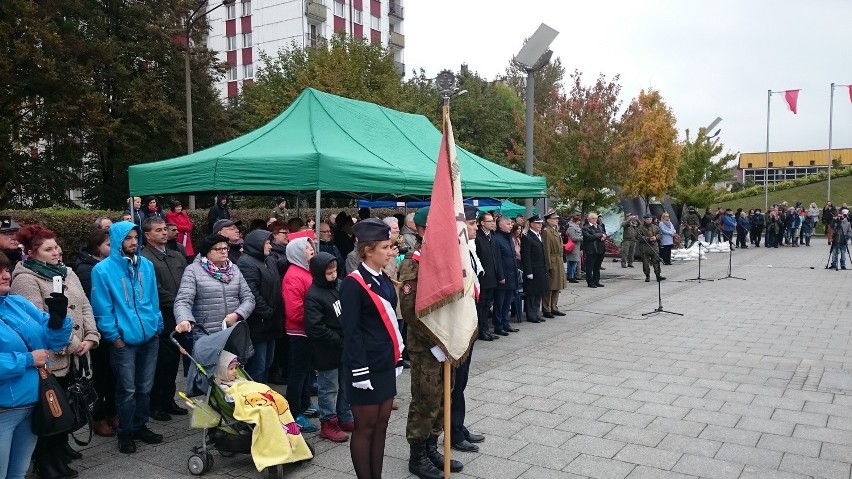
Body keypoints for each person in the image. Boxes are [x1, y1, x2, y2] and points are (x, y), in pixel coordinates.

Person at [11, 226, 100, 478]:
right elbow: (37, 323)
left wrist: (91, 337)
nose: (56, 252)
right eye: (48, 249)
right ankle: (45, 461)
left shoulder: (67, 271)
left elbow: (84, 305)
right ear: (31, 253)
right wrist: (73, 344)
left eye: (56, 246)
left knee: (67, 405)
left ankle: (60, 450)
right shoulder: (26, 279)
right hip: (50, 357)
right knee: (51, 411)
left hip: (76, 355)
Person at [341, 218, 411, 479]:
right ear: (368, 250)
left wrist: (395, 359)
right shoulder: (353, 283)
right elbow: (351, 331)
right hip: (364, 365)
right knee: (365, 427)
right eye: (384, 247)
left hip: (384, 361)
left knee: (381, 425)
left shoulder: (383, 279)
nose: (389, 251)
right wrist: (359, 371)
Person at [89, 221, 164, 454]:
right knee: (127, 390)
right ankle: (126, 432)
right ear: (117, 241)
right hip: (124, 341)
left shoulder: (147, 266)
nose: (133, 242)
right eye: (127, 238)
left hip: (150, 337)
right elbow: (102, 308)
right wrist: (115, 337)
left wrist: (157, 325)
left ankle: (140, 425)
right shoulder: (102, 270)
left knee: (145, 387)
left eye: (135, 237)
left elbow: (153, 298)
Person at [0, 251, 73, 479]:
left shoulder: (17, 303)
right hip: (3, 411)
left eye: (5, 269)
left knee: (18, 473)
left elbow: (53, 340)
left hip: (33, 404)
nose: (6, 275)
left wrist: (58, 319)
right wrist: (28, 359)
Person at [139, 218, 189, 422]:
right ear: (148, 235)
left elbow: (187, 281)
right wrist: (180, 301)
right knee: (161, 361)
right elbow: (155, 290)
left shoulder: (176, 256)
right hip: (162, 314)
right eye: (158, 230)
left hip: (179, 313)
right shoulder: (145, 259)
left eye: (164, 229)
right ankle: (155, 403)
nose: (164, 233)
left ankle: (169, 399)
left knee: (173, 360)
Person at [305, 252, 353, 442]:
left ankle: (345, 416)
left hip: (344, 346)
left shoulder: (339, 285)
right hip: (327, 349)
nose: (333, 276)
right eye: (329, 273)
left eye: (335, 271)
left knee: (345, 384)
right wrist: (339, 340)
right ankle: (328, 423)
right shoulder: (314, 295)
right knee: (329, 387)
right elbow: (315, 328)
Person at [73, 228, 117, 437]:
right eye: (108, 244)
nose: (112, 247)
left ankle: (112, 412)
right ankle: (98, 416)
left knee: (113, 376)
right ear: (96, 248)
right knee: (100, 377)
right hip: (98, 331)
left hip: (113, 328)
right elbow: (92, 304)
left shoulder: (112, 264)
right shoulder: (86, 270)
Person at [173, 234, 255, 340]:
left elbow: (249, 298)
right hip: (206, 334)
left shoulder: (234, 269)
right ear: (207, 252)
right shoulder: (193, 270)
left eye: (225, 248)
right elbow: (183, 301)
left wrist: (238, 315)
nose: (224, 251)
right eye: (218, 249)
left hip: (233, 331)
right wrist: (184, 319)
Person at [282, 236, 320, 433]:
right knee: (298, 374)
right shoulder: (294, 275)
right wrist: (318, 316)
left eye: (311, 246)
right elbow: (294, 311)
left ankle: (305, 405)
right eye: (306, 248)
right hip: (299, 332)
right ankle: (293, 413)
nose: (310, 249)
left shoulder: (306, 270)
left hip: (309, 330)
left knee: (306, 372)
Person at [236, 230, 284, 383]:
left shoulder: (268, 259)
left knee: (268, 362)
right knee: (258, 365)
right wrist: (267, 311)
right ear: (257, 244)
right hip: (259, 323)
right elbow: (252, 293)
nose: (270, 246)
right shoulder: (246, 262)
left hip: (271, 321)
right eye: (267, 243)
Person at [473, 212, 503, 339]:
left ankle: (486, 330)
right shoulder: (477, 238)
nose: (492, 223)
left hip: (492, 277)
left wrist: (500, 275)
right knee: (481, 305)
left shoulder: (492, 237)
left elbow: (497, 259)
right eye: (489, 221)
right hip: (482, 278)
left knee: (487, 305)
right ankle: (481, 331)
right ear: (481, 223)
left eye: (493, 221)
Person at [493, 216, 520, 335]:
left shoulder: (508, 237)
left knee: (507, 302)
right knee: (500, 302)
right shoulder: (497, 238)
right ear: (500, 225)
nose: (511, 226)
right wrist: (501, 276)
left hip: (511, 274)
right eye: (508, 224)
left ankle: (505, 323)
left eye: (511, 224)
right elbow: (497, 260)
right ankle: (498, 325)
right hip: (503, 276)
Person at [521, 215, 548, 323]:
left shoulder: (539, 235)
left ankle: (536, 312)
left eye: (541, 223)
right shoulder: (527, 236)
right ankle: (531, 314)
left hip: (540, 268)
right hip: (533, 269)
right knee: (532, 293)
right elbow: (526, 256)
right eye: (538, 223)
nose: (540, 225)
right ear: (532, 224)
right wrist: (528, 271)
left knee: (539, 292)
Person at [542, 211, 566, 317]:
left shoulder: (554, 230)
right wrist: (548, 265)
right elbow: (546, 249)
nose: (557, 220)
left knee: (557, 286)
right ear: (548, 220)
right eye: (554, 218)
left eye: (557, 218)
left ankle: (554, 307)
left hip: (558, 260)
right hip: (552, 260)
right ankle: (546, 309)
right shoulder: (547, 231)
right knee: (550, 286)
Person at [637, 214, 665, 282]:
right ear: (644, 220)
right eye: (647, 219)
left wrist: (656, 237)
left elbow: (660, 234)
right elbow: (638, 237)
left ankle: (658, 275)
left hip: (654, 247)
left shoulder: (655, 227)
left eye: (650, 219)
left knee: (656, 261)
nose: (649, 221)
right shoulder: (640, 227)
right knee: (645, 263)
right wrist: (648, 239)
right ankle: (647, 276)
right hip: (645, 247)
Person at [582, 213, 607, 288]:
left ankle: (596, 281)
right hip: (591, 250)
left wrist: (604, 236)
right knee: (589, 267)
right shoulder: (586, 227)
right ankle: (590, 282)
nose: (595, 220)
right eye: (593, 218)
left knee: (597, 266)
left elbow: (604, 233)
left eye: (596, 218)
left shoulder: (599, 226)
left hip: (600, 249)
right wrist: (600, 235)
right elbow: (589, 237)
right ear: (589, 219)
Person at [564, 214, 583, 283]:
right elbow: (573, 238)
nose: (579, 222)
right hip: (572, 248)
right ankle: (571, 277)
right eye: (579, 220)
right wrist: (581, 238)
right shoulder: (571, 228)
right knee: (572, 263)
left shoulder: (576, 227)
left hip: (576, 247)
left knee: (574, 262)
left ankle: (572, 276)